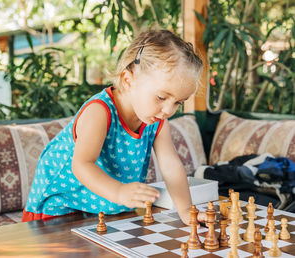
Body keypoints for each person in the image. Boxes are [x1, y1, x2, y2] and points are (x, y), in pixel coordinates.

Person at [22, 29, 205, 225]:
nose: (169, 110)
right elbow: (82, 165)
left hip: (98, 209)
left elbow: (171, 166)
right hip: (59, 207)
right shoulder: (99, 112)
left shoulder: (158, 120)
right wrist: (119, 192)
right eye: (161, 97)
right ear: (128, 81)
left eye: (178, 102)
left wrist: (186, 210)